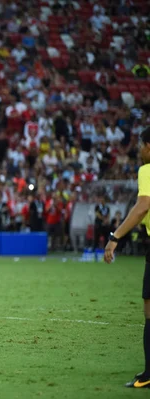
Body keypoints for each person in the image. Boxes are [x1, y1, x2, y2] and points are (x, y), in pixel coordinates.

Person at [104, 127, 150, 388]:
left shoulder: (147, 170)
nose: (140, 150)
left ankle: (148, 375)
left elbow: (143, 206)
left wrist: (116, 237)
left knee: (149, 310)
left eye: (142, 145)